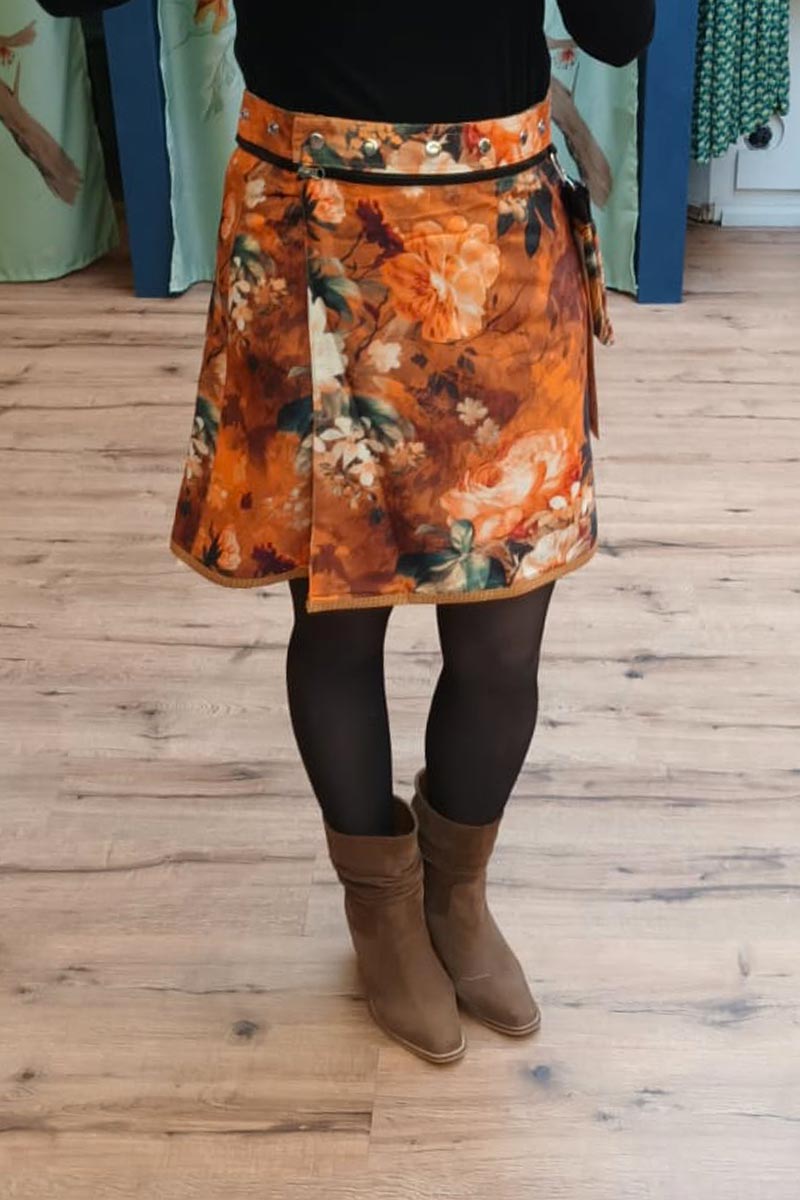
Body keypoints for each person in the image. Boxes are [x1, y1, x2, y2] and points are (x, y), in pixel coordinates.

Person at [38, 0, 656, 1064]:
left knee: (501, 645)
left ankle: (456, 897)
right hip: (311, 230)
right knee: (336, 623)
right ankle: (380, 908)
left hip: (497, 236)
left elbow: (615, 29)